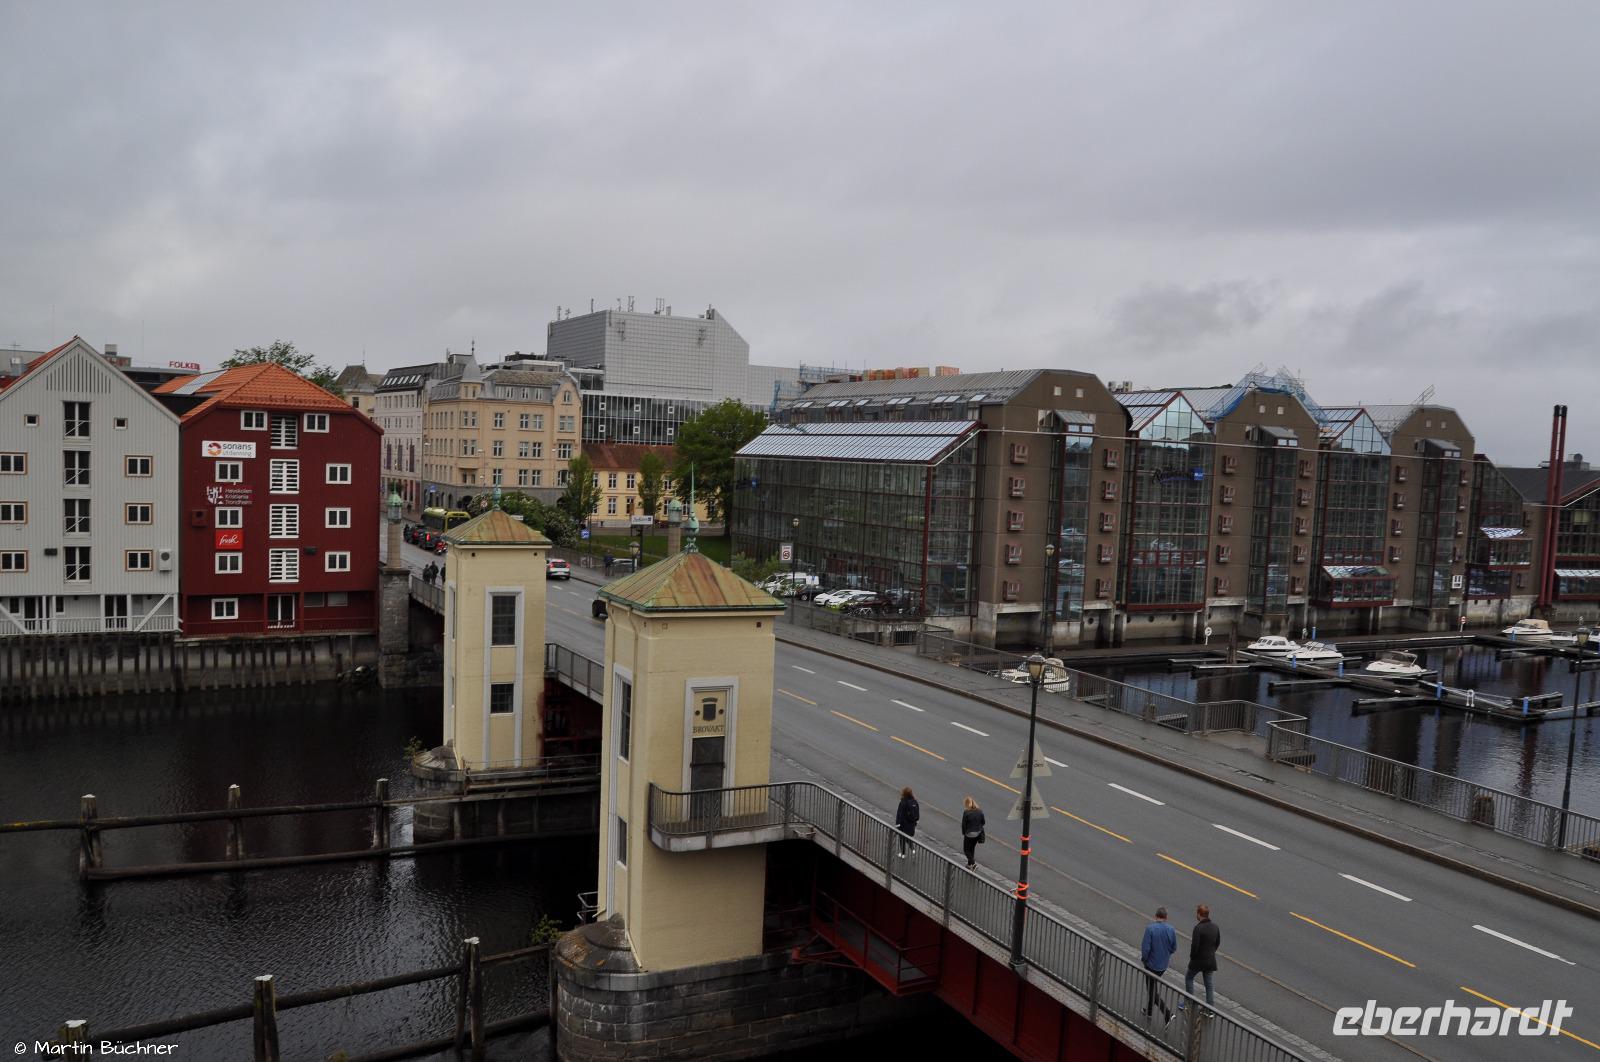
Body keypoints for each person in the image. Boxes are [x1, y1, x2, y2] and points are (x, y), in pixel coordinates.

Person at [1140, 906, 1178, 1026]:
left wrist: (1144, 960)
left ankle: (1168, 1014)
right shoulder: (1171, 929)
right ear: (1166, 918)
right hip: (1163, 966)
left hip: (1151, 965)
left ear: (1156, 916)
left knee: (1152, 991)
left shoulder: (1150, 929)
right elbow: (1174, 948)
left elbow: (1146, 948)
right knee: (1153, 987)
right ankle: (1149, 1011)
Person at [1180, 904, 1220, 1010]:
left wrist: (1192, 957)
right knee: (1209, 985)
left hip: (1198, 960)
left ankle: (1189, 1001)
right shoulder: (1215, 927)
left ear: (1199, 914)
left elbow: (1195, 946)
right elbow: (1217, 943)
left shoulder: (1198, 928)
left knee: (1189, 977)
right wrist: (1211, 952)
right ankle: (1209, 1008)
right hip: (1210, 960)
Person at [893, 786, 920, 858]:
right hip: (911, 825)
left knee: (902, 839)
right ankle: (913, 849)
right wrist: (915, 822)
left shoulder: (903, 802)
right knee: (908, 837)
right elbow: (917, 815)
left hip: (903, 824)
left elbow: (899, 814)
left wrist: (897, 824)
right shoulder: (914, 802)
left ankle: (903, 854)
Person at [960, 796, 986, 868]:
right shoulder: (980, 811)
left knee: (966, 850)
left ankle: (973, 863)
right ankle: (969, 864)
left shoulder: (966, 812)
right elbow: (983, 822)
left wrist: (964, 832)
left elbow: (964, 824)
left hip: (969, 834)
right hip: (977, 833)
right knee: (971, 848)